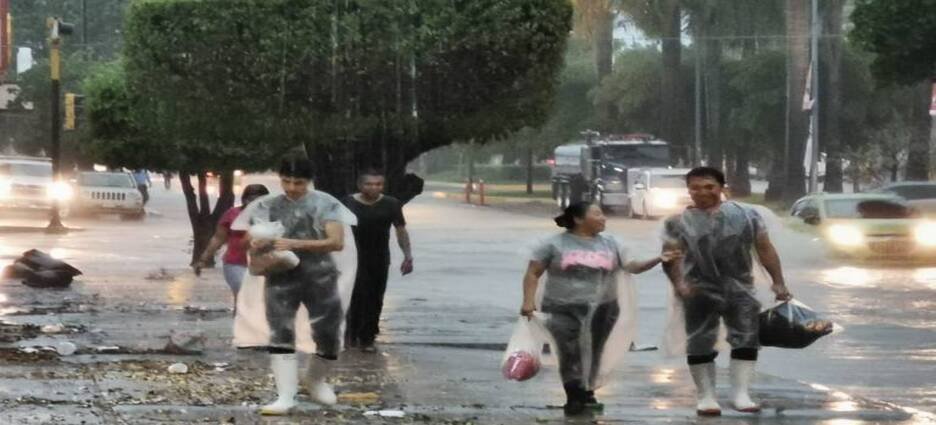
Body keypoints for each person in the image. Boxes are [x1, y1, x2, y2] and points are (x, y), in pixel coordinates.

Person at [520, 202, 681, 416]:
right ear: (578, 219)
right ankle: (574, 394)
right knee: (570, 351)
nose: (603, 218)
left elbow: (632, 266)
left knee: (595, 351)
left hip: (604, 307)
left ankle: (588, 390)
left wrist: (658, 259)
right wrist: (528, 301)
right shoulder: (553, 244)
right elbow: (533, 273)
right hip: (561, 307)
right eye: (597, 214)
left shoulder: (612, 243)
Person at [230, 157, 358, 416]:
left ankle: (315, 380)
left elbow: (336, 242)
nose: (291, 187)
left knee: (328, 332)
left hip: (320, 275)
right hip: (280, 274)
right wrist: (254, 242)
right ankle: (285, 395)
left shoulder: (325, 204)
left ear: (308, 181)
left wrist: (295, 243)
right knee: (280, 331)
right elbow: (243, 241)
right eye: (286, 181)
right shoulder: (267, 205)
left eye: (298, 182)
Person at [661, 167, 792, 417]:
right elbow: (671, 257)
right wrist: (679, 284)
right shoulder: (676, 222)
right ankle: (706, 396)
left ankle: (741, 394)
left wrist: (778, 282)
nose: (702, 193)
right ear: (688, 190)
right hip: (697, 289)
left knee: (746, 338)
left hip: (741, 287)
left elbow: (764, 248)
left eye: (709, 187)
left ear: (722, 188)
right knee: (700, 341)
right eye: (695, 188)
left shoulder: (747, 215)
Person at [341, 169, 413, 353]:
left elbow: (401, 230)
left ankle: (368, 337)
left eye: (378, 184)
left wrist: (407, 255)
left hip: (379, 257)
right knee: (354, 296)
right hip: (351, 256)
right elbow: (335, 228)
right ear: (360, 185)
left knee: (374, 297)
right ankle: (350, 335)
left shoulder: (391, 204)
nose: (374, 188)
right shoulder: (347, 203)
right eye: (369, 184)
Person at [193, 184, 270, 300]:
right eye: (251, 200)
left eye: (259, 200)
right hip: (235, 264)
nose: (254, 204)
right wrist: (203, 259)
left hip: (266, 265)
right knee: (243, 294)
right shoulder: (232, 214)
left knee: (262, 300)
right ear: (244, 200)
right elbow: (218, 238)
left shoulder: (273, 215)